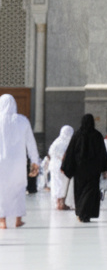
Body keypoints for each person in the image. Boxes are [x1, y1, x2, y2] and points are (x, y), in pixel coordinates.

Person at [61, 114, 107, 223]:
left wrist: (66, 166)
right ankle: (85, 213)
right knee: (90, 192)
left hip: (80, 170)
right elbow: (102, 153)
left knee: (81, 192)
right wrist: (105, 168)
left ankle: (82, 212)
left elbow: (71, 153)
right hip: (94, 170)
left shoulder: (77, 135)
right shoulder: (97, 135)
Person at [0, 94, 40, 229]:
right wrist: (35, 161)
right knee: (18, 189)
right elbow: (31, 143)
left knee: (1, 190)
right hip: (18, 163)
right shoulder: (23, 121)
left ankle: (2, 221)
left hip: (1, 162)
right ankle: (18, 219)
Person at [48, 125, 74, 210]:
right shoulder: (68, 142)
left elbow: (50, 153)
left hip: (53, 166)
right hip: (62, 167)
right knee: (63, 185)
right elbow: (66, 156)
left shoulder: (56, 142)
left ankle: (57, 203)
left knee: (56, 184)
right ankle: (62, 203)